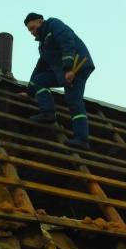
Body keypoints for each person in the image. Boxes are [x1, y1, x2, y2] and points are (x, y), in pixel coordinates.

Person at [20, 12, 95, 150]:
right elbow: (40, 67)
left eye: (32, 28)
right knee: (40, 79)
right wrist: (29, 92)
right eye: (29, 30)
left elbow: (67, 43)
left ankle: (82, 139)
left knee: (73, 100)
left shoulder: (54, 25)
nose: (31, 32)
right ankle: (48, 113)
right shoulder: (44, 44)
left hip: (77, 66)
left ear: (41, 22)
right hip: (65, 71)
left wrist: (68, 68)